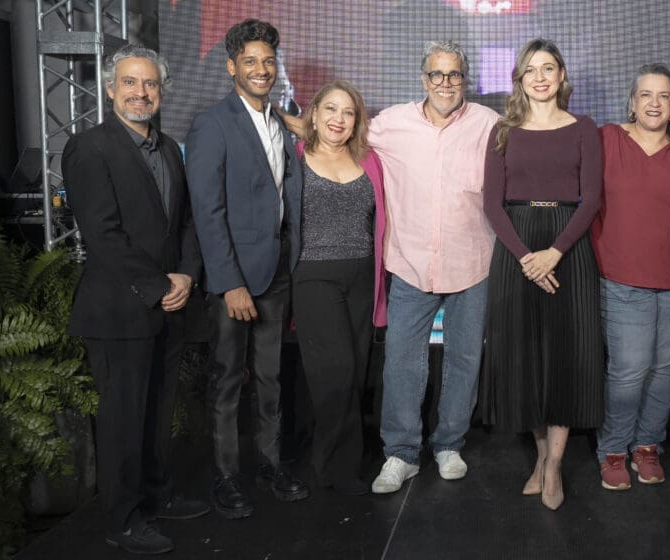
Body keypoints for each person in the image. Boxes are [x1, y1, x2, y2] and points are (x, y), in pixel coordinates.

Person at [63, 44, 208, 554]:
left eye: (150, 84)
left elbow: (185, 222)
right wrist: (160, 286)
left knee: (158, 411)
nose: (140, 93)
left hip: (168, 306)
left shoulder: (168, 149)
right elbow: (102, 235)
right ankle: (122, 519)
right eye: (130, 82)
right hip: (120, 311)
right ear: (110, 89)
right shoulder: (89, 148)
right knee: (123, 420)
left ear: (161, 91)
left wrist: (187, 275)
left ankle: (156, 495)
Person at [363, 41, 501, 495]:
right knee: (402, 360)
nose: (445, 83)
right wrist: (283, 120)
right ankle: (401, 454)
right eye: (437, 74)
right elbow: (335, 130)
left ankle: (449, 444)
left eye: (454, 74)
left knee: (465, 359)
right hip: (410, 263)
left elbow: (535, 150)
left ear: (465, 80)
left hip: (473, 262)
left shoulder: (489, 124)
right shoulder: (390, 124)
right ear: (423, 79)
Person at [186, 18, 308, 520]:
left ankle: (270, 464)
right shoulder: (212, 124)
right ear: (231, 66)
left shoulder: (280, 121)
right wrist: (229, 282)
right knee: (227, 381)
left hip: (277, 270)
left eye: (269, 60)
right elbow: (207, 211)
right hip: (234, 278)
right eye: (251, 61)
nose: (262, 69)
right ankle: (226, 476)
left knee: (271, 376)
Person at [482, 38, 604, 511]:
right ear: (519, 78)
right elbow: (492, 204)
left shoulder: (583, 128)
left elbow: (591, 200)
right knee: (525, 360)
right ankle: (539, 455)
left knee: (564, 358)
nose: (539, 77)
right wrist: (527, 258)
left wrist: (553, 252)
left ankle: (554, 464)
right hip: (517, 250)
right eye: (530, 69)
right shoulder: (503, 130)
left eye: (548, 68)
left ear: (561, 75)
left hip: (567, 248)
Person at [590, 63, 670, 491]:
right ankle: (613, 449)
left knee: (664, 369)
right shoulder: (606, 140)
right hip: (620, 279)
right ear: (632, 102)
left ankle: (648, 445)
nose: (654, 103)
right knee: (629, 370)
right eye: (646, 95)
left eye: (663, 96)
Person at [291, 81, 387, 497]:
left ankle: (341, 462)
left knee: (357, 371)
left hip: (363, 275)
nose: (339, 119)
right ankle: (332, 466)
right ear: (313, 114)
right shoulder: (295, 157)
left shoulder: (370, 160)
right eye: (330, 109)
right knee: (336, 371)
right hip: (314, 275)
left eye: (348, 112)